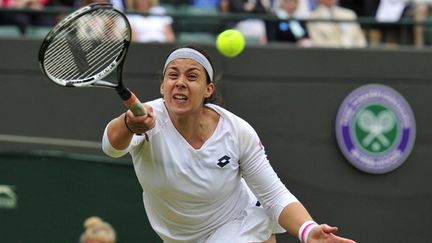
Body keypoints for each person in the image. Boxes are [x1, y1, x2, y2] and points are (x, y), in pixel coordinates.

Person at [102, 45, 357, 243]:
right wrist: (128, 124)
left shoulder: (237, 131)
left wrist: (308, 231)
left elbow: (273, 194)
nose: (180, 82)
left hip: (241, 223)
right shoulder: (145, 119)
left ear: (208, 89)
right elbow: (111, 146)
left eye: (192, 76)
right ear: (162, 86)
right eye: (173, 75)